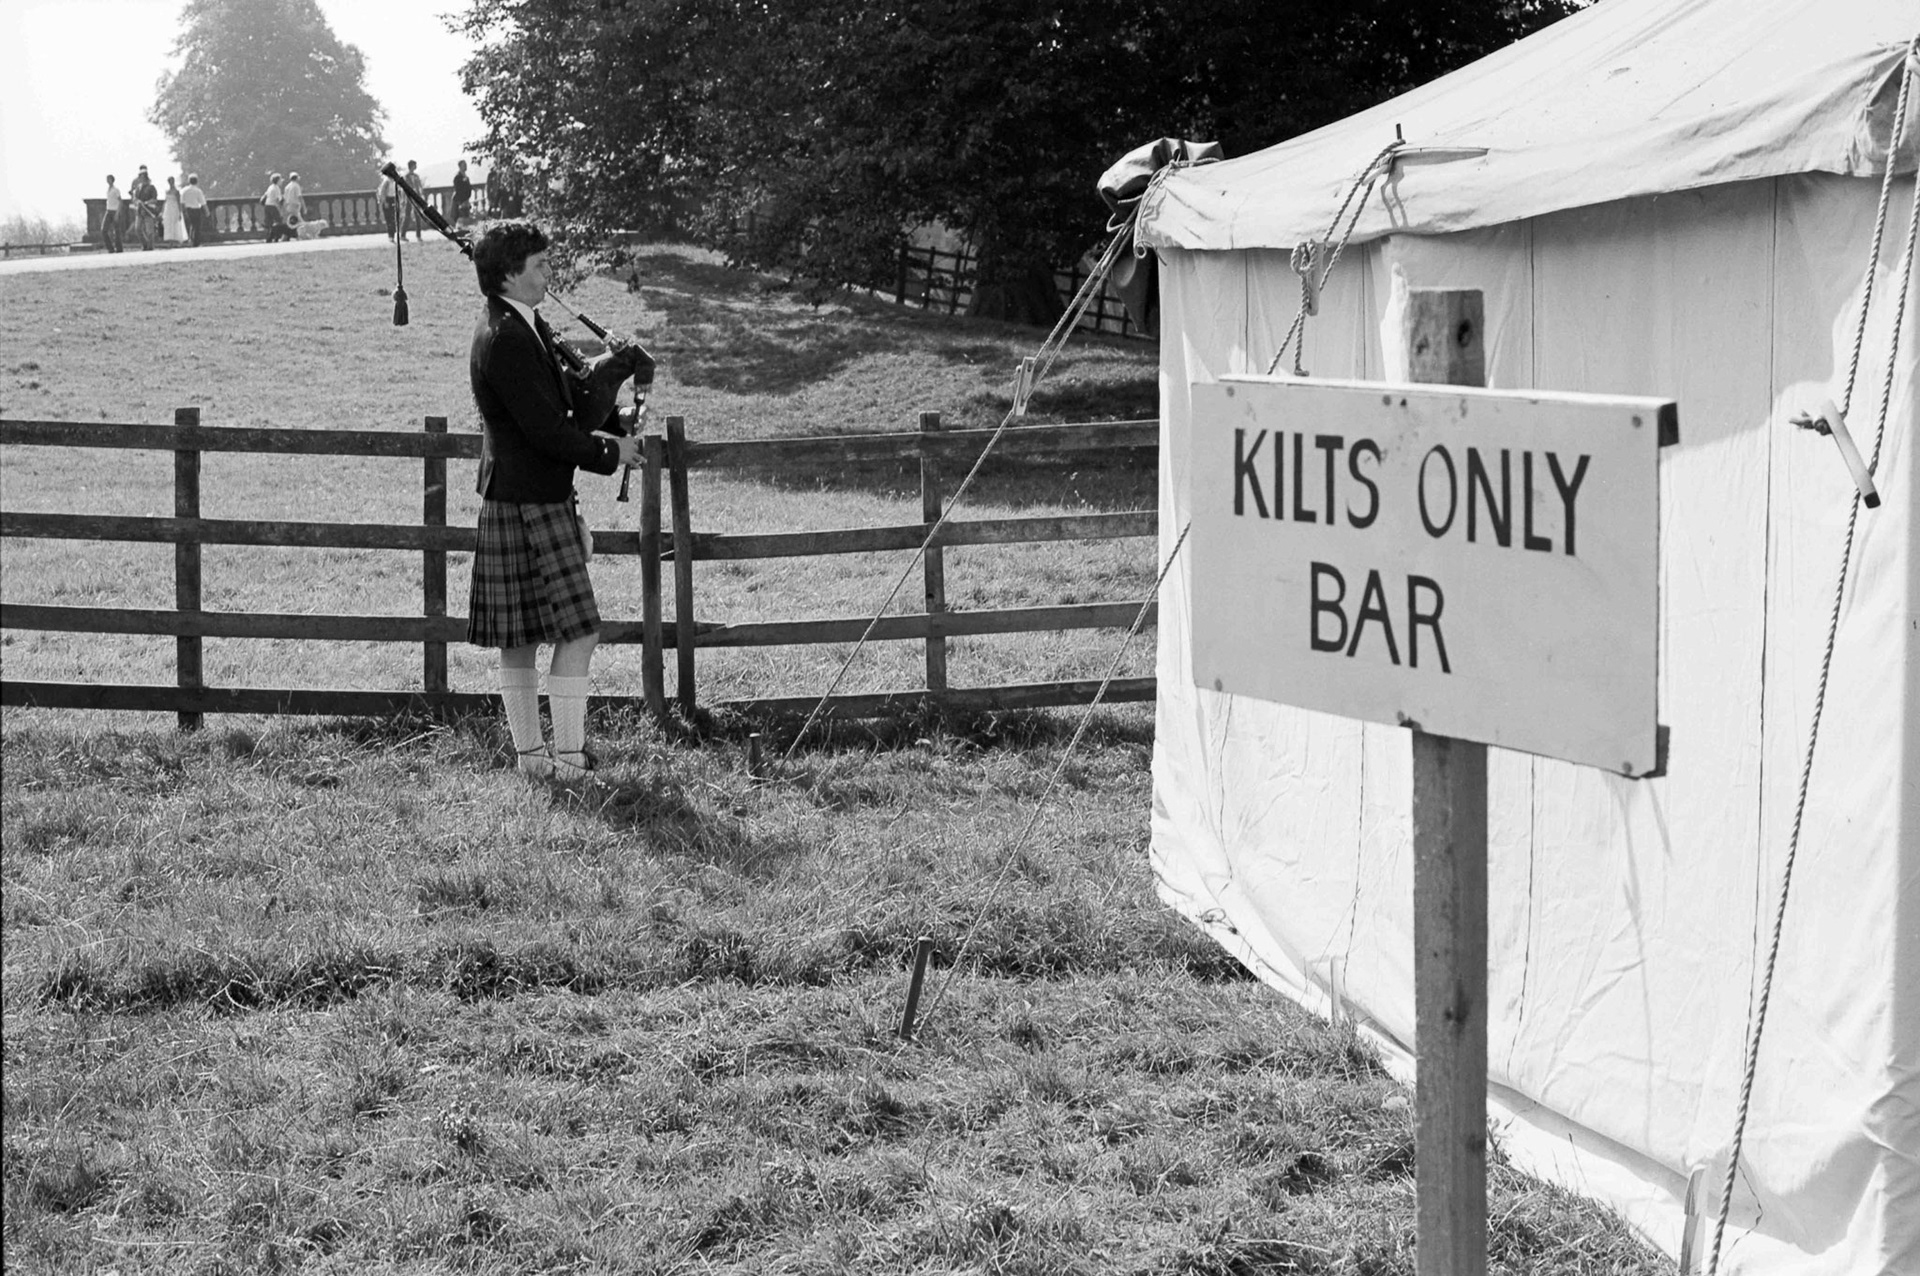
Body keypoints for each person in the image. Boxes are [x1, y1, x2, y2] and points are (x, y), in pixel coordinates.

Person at [466, 221, 643, 780]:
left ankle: (540, 761)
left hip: (528, 496)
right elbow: (546, 431)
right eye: (541, 265)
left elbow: (565, 405)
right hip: (526, 501)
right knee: (577, 631)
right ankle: (560, 758)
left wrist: (608, 376)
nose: (550, 273)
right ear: (510, 273)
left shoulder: (527, 324)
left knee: (520, 639)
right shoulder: (506, 338)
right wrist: (613, 454)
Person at [128, 165, 159, 248]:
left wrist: (146, 203)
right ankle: (145, 244)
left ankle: (150, 246)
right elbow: (134, 198)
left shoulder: (152, 188)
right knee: (137, 229)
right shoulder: (138, 188)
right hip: (139, 210)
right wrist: (137, 202)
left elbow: (154, 199)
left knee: (149, 231)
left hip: (148, 210)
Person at [261, 172, 289, 242]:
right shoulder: (277, 188)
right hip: (273, 206)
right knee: (279, 222)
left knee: (269, 223)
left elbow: (266, 195)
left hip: (267, 206)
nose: (281, 182)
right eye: (280, 180)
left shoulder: (270, 187)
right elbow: (280, 199)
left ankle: (268, 238)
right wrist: (283, 208)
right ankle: (277, 237)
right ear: (278, 181)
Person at [181, 174, 208, 245]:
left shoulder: (184, 190)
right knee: (196, 226)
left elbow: (181, 202)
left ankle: (191, 240)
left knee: (190, 225)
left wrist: (182, 210)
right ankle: (196, 241)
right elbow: (203, 203)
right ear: (197, 181)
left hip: (187, 209)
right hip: (196, 209)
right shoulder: (198, 191)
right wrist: (207, 211)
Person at [403, 160, 424, 241]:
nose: (416, 166)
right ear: (411, 166)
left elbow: (419, 186)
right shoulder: (406, 176)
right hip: (409, 198)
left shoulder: (416, 176)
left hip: (416, 197)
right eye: (415, 165)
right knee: (407, 216)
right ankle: (403, 234)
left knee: (418, 216)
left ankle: (418, 235)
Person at [101, 175, 124, 252]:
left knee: (117, 231)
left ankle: (119, 248)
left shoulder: (116, 190)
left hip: (115, 211)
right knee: (104, 230)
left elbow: (120, 201)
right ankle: (110, 248)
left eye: (109, 179)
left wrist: (118, 213)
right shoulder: (108, 190)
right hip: (108, 210)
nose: (108, 181)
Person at [377, 163, 399, 240]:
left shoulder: (394, 181)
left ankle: (393, 234)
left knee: (393, 218)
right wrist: (385, 202)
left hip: (393, 199)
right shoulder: (386, 181)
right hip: (388, 200)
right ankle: (391, 235)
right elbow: (382, 192)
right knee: (389, 218)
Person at [163, 176, 187, 243]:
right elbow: (165, 202)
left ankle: (176, 238)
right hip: (168, 209)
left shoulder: (176, 192)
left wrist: (180, 212)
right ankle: (170, 239)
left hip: (175, 208)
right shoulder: (167, 191)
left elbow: (179, 202)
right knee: (168, 224)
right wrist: (162, 211)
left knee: (175, 223)